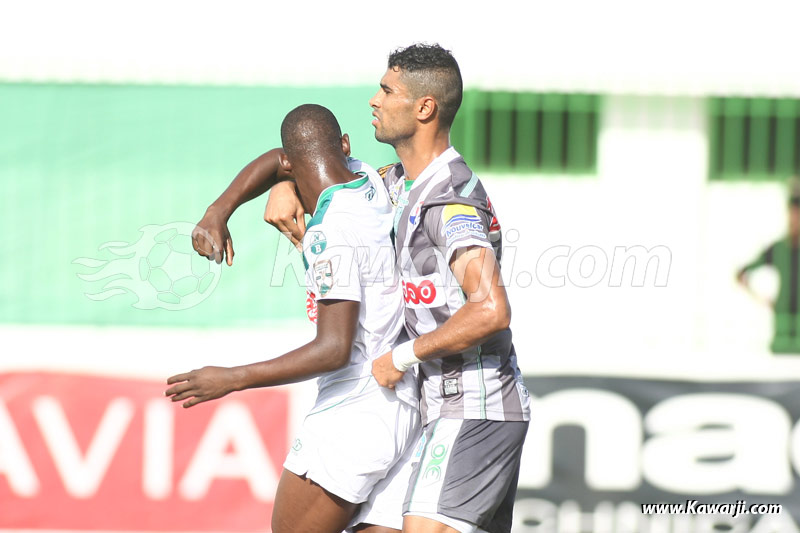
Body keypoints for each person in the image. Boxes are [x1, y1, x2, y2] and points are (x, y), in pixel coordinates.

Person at [263, 44, 531, 533]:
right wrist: (285, 182)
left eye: (387, 91)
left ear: (424, 108)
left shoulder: (449, 201)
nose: (374, 100)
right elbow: (321, 162)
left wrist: (402, 357)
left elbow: (491, 309)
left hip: (475, 405)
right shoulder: (398, 183)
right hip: (432, 408)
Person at [166, 104, 420, 533]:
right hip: (401, 403)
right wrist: (220, 210)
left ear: (290, 163)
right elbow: (277, 158)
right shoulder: (366, 178)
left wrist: (233, 378)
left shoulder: (330, 234)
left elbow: (333, 350)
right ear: (345, 145)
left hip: (355, 410)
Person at [737, 179, 800, 354]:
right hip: (782, 334)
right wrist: (764, 300)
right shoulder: (779, 248)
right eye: (793, 214)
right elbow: (741, 274)